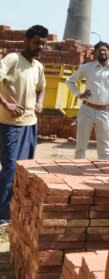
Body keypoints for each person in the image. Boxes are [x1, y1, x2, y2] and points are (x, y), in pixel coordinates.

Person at [0, 25, 48, 226]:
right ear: (26, 41)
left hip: (30, 125)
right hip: (9, 124)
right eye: (37, 42)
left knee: (25, 169)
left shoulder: (38, 66)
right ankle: (2, 217)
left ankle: (14, 210)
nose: (40, 47)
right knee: (10, 170)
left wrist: (40, 102)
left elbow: (42, 88)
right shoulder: (12, 59)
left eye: (43, 44)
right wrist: (7, 103)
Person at [65, 41, 109, 160]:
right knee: (81, 144)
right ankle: (77, 168)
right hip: (87, 109)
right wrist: (79, 94)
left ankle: (104, 169)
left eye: (104, 50)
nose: (102, 52)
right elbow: (70, 81)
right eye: (99, 50)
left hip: (104, 111)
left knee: (104, 144)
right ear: (95, 53)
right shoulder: (87, 68)